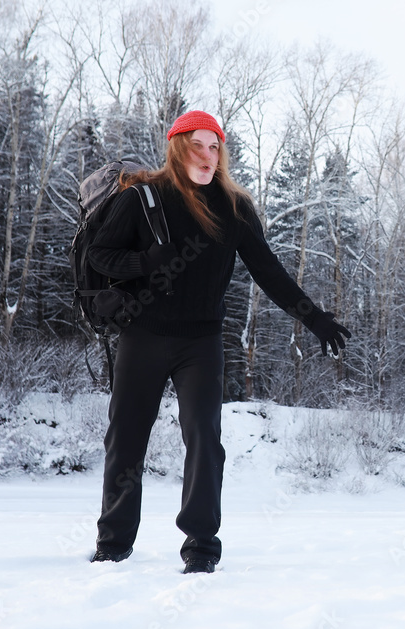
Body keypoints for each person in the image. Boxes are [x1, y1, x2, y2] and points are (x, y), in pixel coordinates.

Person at [87, 110, 351, 574]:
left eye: (215, 147)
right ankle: (113, 544)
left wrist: (316, 320)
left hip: (201, 344)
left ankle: (202, 548)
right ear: (177, 148)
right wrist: (148, 261)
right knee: (125, 440)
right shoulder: (143, 198)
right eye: (197, 145)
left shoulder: (234, 208)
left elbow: (268, 271)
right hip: (142, 337)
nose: (208, 156)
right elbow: (100, 254)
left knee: (205, 441)